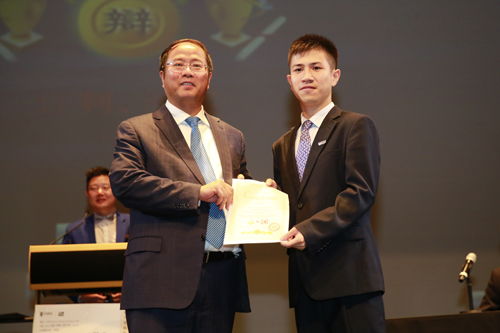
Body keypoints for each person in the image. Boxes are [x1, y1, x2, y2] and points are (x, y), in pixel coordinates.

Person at [109, 38, 251, 333]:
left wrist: (261, 193)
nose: (187, 71)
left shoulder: (233, 135)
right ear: (162, 76)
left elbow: (239, 189)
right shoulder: (136, 129)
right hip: (158, 281)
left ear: (209, 78)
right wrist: (196, 193)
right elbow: (126, 182)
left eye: (197, 65)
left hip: (221, 279)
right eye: (178, 64)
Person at [269, 34, 385, 332]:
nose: (306, 76)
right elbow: (295, 204)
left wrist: (308, 230)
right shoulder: (282, 145)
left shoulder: (355, 126)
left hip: (349, 279)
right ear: (289, 80)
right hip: (304, 283)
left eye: (316, 67)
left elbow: (359, 193)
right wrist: (269, 203)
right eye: (298, 69)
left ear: (335, 76)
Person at [63, 166, 130, 303]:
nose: (100, 192)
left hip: (128, 306)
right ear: (87, 194)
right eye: (94, 189)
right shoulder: (74, 230)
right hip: (90, 309)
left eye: (105, 187)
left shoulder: (134, 224)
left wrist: (131, 294)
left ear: (116, 191)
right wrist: (81, 297)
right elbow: (65, 273)